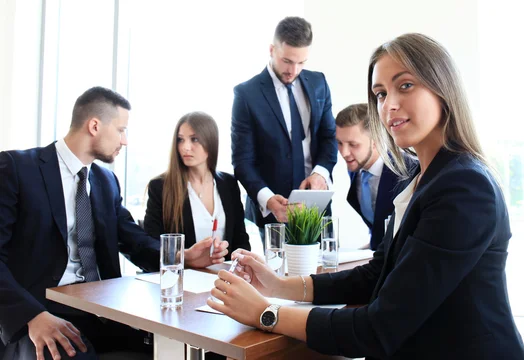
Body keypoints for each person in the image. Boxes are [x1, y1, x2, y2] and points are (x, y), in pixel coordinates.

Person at [207, 34, 524, 359]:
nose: (388, 105)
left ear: (442, 88)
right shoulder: (422, 179)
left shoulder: (464, 189)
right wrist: (278, 285)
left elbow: (380, 328)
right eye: (380, 93)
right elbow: (378, 273)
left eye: (405, 86)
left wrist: (267, 313)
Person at [0, 87, 213, 360]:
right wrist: (32, 316)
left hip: (99, 309)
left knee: (176, 350)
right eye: (121, 130)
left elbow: (132, 239)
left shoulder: (105, 181)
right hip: (41, 311)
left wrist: (180, 256)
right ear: (94, 126)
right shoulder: (17, 169)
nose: (124, 140)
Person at [231, 16, 337, 233]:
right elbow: (242, 161)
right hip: (273, 211)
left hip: (316, 206)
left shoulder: (319, 83)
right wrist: (268, 200)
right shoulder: (246, 94)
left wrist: (320, 174)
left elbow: (329, 137)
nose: (294, 70)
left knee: (325, 268)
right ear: (272, 50)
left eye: (301, 62)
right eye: (287, 61)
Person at [144, 111, 250, 261]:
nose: (185, 147)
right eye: (180, 140)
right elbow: (151, 245)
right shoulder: (160, 187)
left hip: (223, 276)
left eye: (194, 139)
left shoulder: (229, 184)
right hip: (185, 276)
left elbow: (242, 241)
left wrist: (232, 255)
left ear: (211, 142)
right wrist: (185, 257)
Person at [336, 103, 418, 250]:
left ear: (376, 141)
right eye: (340, 143)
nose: (344, 152)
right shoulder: (356, 169)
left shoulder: (409, 170)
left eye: (353, 144)